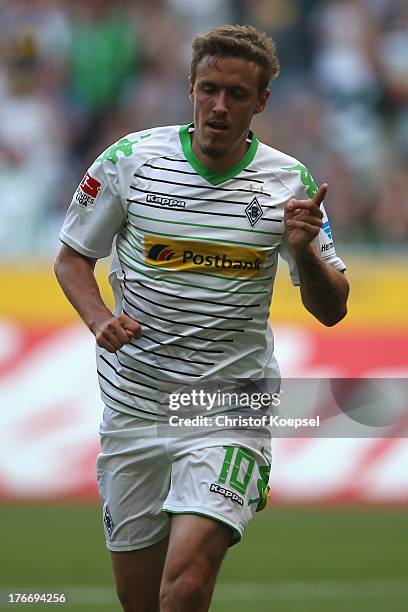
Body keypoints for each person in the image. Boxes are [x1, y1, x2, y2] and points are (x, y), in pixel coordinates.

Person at [55, 24, 349, 612]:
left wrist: (304, 250)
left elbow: (332, 308)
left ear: (261, 102)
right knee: (140, 600)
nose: (220, 105)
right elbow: (71, 260)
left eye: (237, 95)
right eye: (209, 89)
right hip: (134, 405)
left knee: (186, 584)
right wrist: (97, 319)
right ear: (190, 88)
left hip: (228, 406)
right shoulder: (130, 160)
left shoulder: (290, 184)